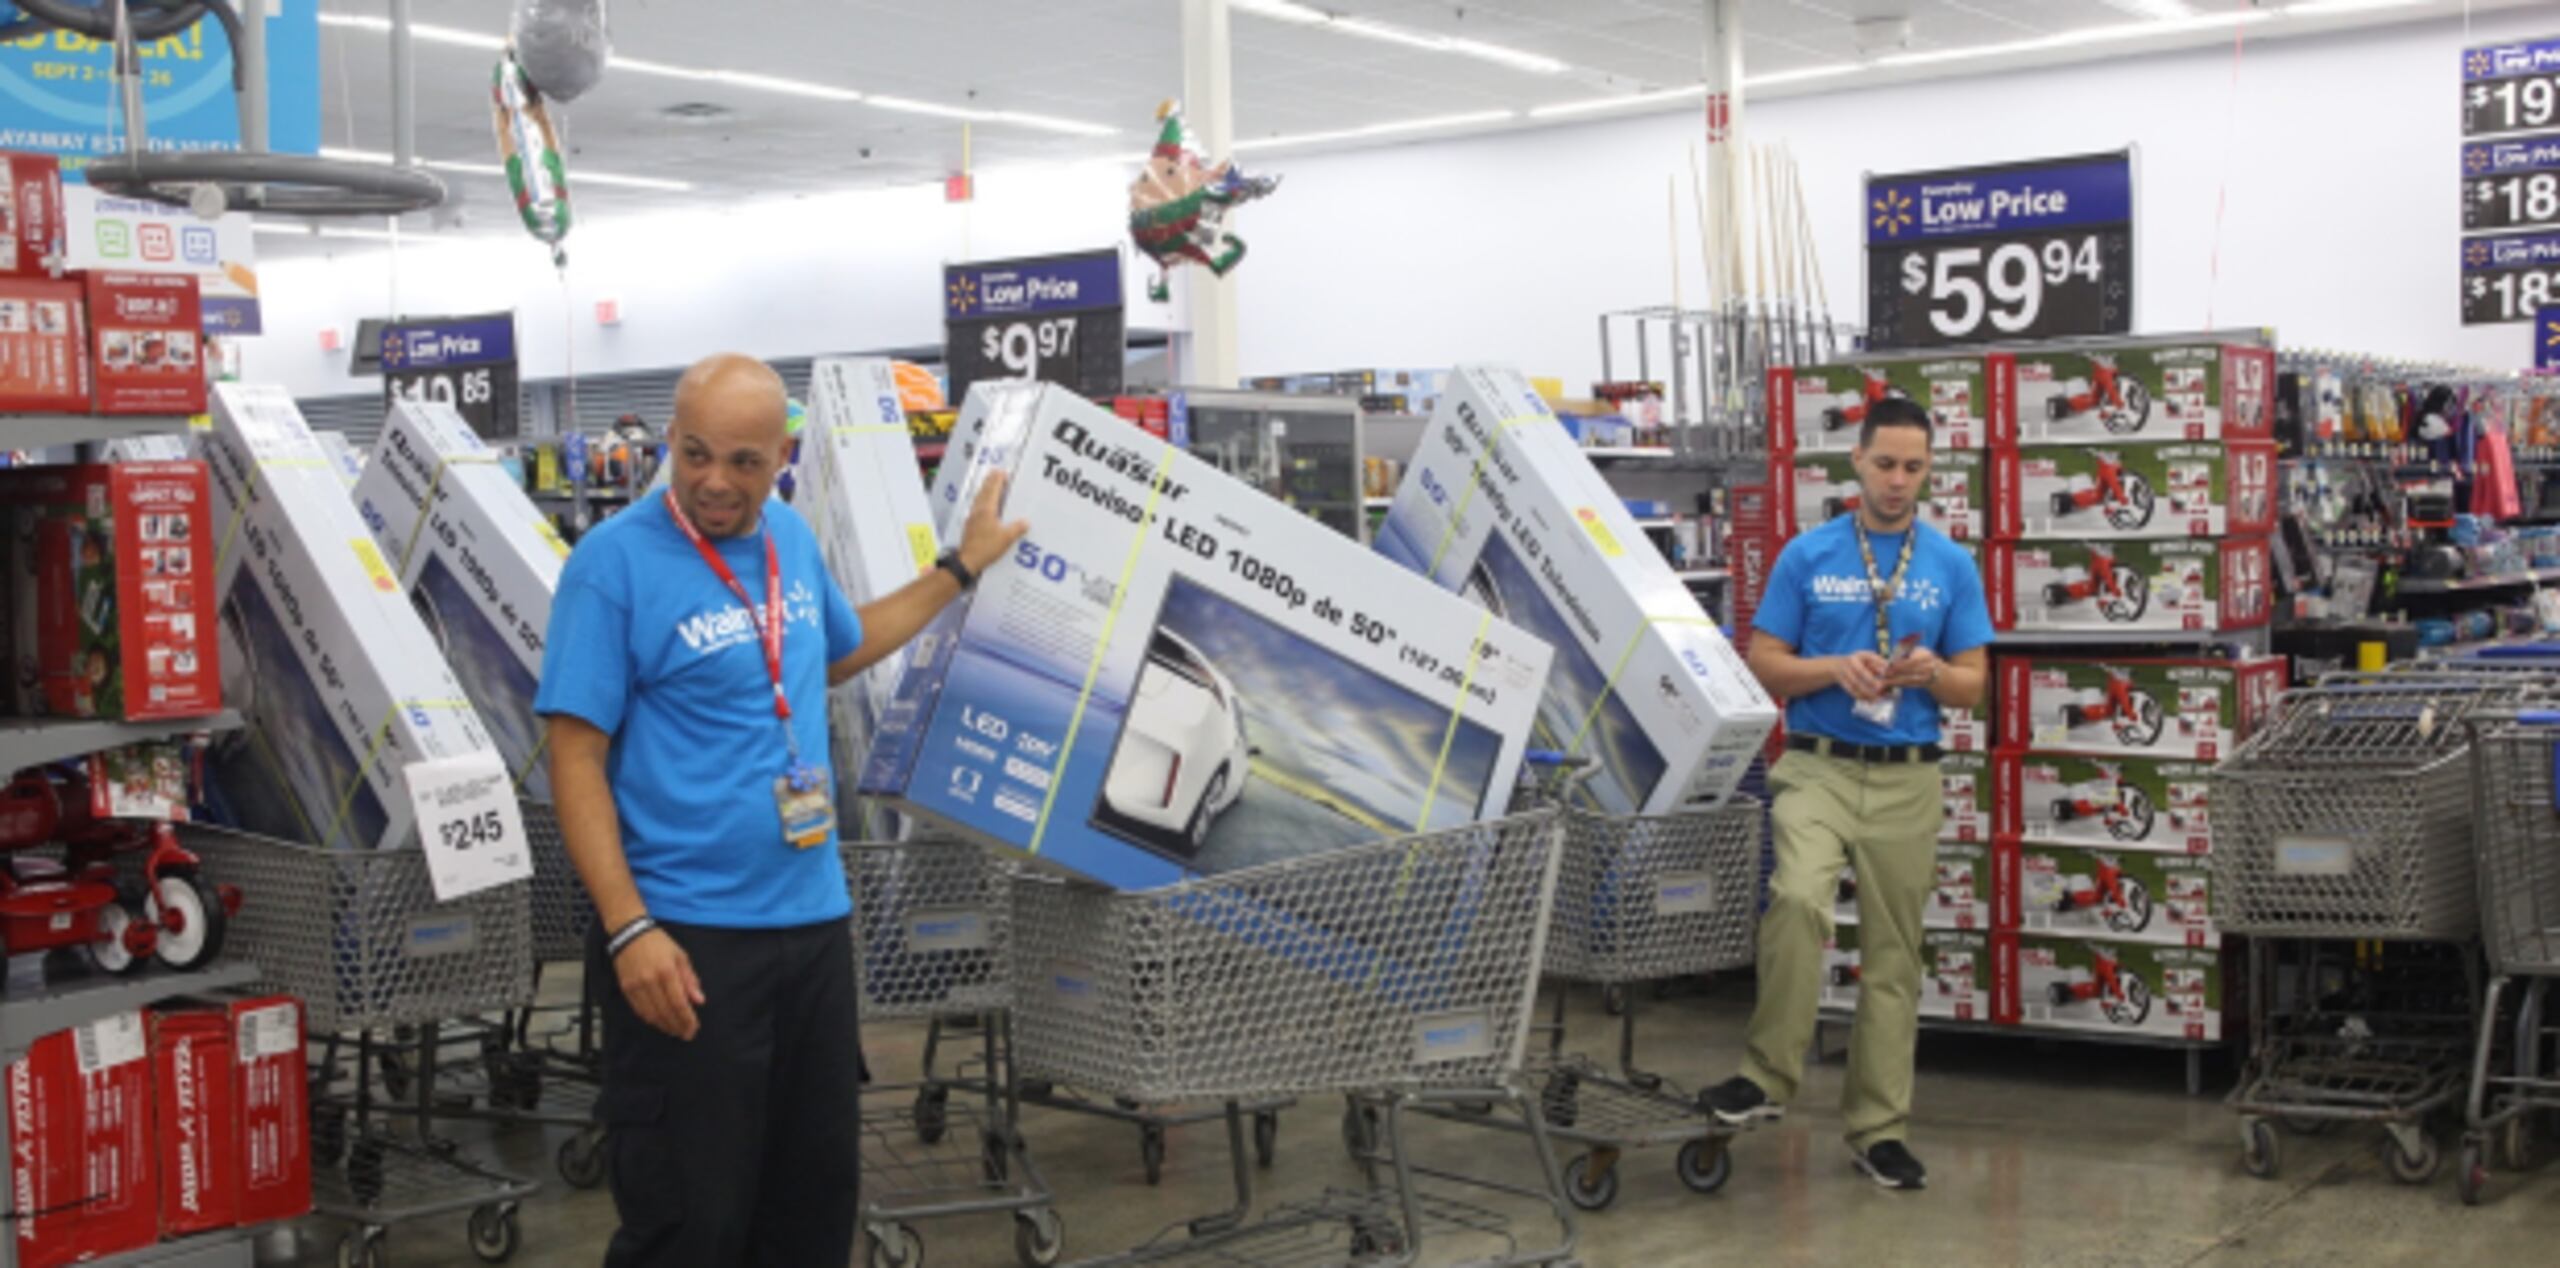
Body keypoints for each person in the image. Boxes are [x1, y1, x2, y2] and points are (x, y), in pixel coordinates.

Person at [534, 353, 1027, 1265]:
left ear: (781, 458)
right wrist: (628, 927)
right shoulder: (612, 566)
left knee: (809, 1209)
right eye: (694, 454)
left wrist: (961, 568)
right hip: (685, 939)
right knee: (692, 1221)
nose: (715, 481)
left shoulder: (788, 542)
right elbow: (575, 754)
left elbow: (838, 650)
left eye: (743, 462)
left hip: (811, 928)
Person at [1695, 394, 1992, 1191]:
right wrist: (1835, 668)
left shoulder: (1950, 565)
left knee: (1895, 958)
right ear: (1856, 461)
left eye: (1914, 467)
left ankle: (1878, 1129)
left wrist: (1936, 673)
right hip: (1819, 766)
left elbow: (1976, 689)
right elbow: (1761, 661)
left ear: (1931, 471)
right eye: (1886, 463)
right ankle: (1766, 1076)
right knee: (1795, 898)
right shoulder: (1808, 555)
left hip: (1909, 777)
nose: (1898, 480)